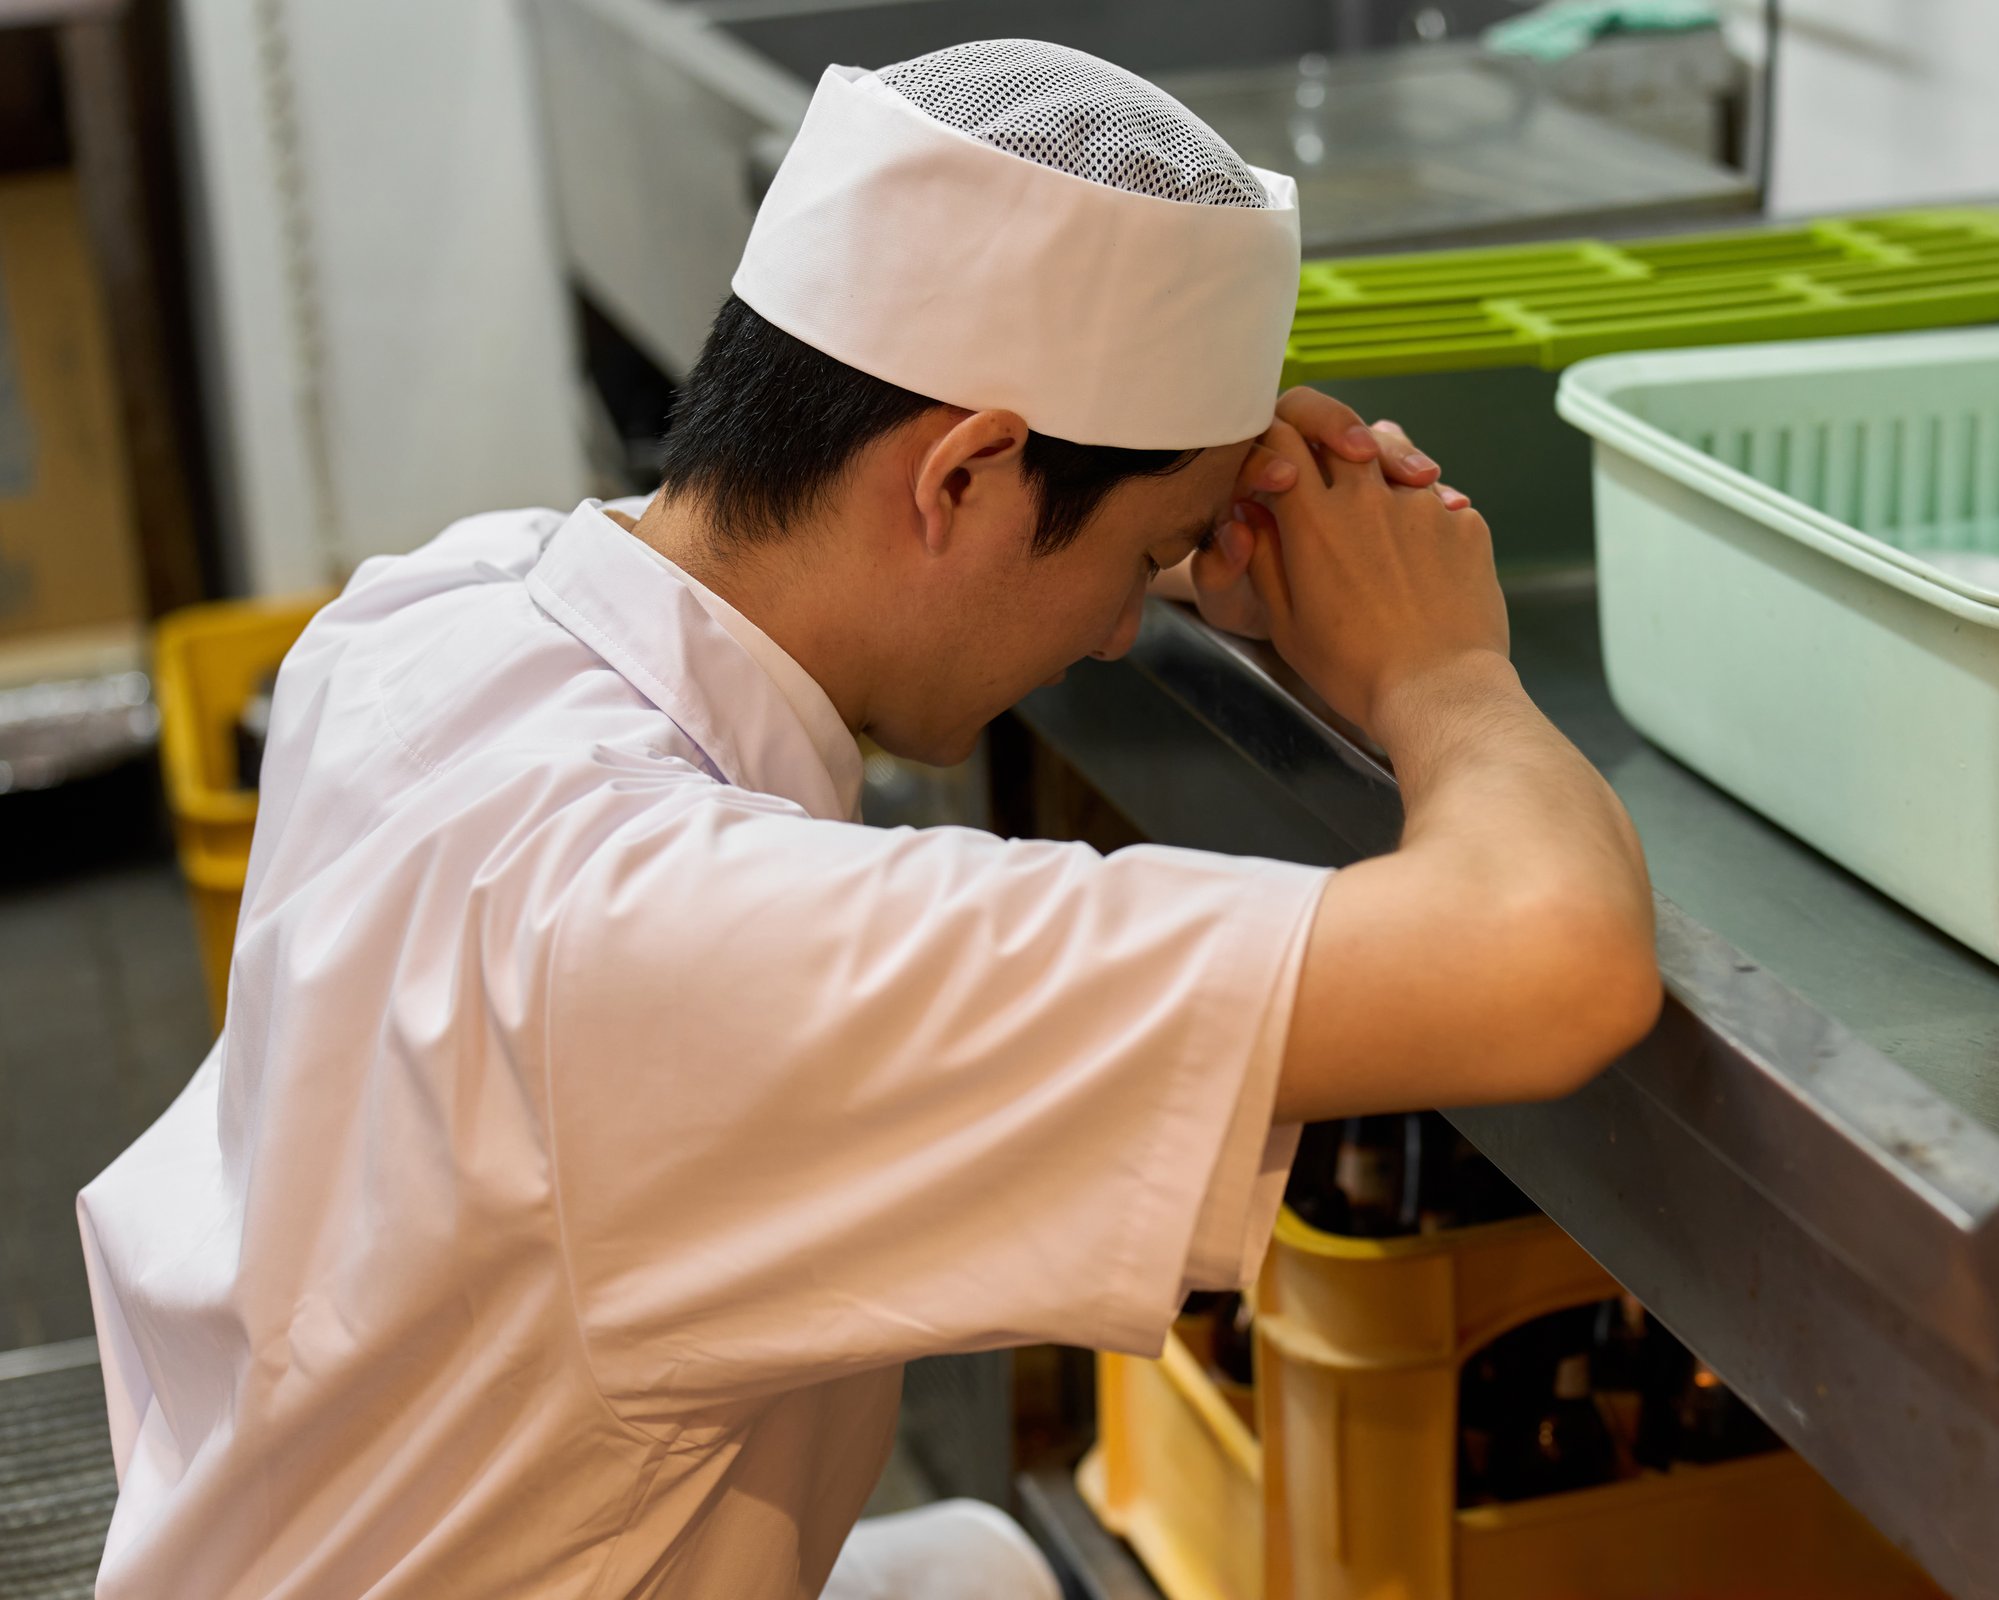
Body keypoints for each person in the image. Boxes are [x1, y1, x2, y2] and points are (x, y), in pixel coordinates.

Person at [76, 39, 1657, 1600]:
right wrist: (1441, 671)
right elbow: (1551, 959)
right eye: (1145, 560)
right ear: (962, 476)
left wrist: (1172, 522)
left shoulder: (445, 611)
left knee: (979, 1565)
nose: (1127, 628)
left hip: (254, 1539)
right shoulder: (684, 944)